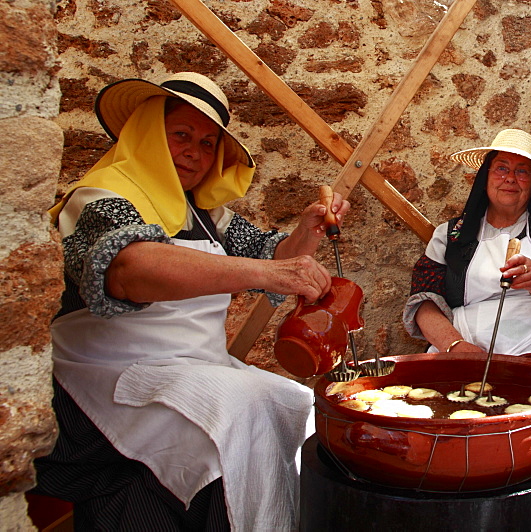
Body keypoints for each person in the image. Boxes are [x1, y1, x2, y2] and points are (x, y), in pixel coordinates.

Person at [31, 72, 350, 531]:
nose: (194, 153)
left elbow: (274, 259)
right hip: (104, 378)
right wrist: (270, 272)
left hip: (188, 369)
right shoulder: (101, 197)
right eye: (181, 135)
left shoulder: (204, 214)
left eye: (207, 144)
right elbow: (129, 269)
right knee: (241, 409)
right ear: (147, 133)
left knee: (297, 405)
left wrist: (307, 231)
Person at [403, 128, 531, 398]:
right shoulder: (451, 235)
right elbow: (424, 302)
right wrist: (456, 347)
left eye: (522, 171)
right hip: (471, 347)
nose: (510, 179)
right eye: (501, 168)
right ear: (485, 177)